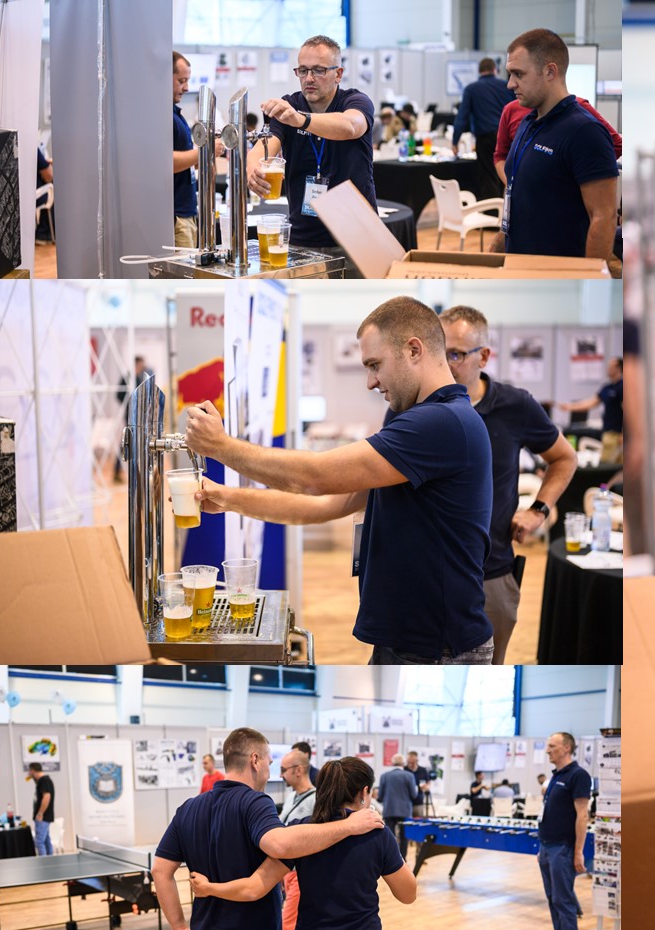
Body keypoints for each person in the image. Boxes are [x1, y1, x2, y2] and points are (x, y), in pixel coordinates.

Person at [185, 296, 494, 665]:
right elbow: (327, 503)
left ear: (414, 350)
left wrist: (220, 446)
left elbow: (315, 477)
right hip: (405, 640)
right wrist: (228, 497)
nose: (371, 381)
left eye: (375, 365)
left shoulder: (443, 422)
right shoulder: (407, 416)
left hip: (438, 648)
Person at [151, 727, 384, 930]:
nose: (270, 772)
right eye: (269, 763)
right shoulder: (255, 802)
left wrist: (179, 926)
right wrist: (348, 826)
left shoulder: (188, 808)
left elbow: (160, 871)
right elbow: (279, 845)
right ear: (255, 760)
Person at [440, 305, 578, 664]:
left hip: (492, 577)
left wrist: (538, 510)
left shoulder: (515, 406)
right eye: (438, 352)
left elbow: (565, 458)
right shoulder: (414, 405)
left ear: (484, 356)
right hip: (426, 578)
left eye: (455, 354)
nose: (445, 364)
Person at [189, 757, 416, 930]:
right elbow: (408, 894)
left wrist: (209, 888)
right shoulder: (377, 834)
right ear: (364, 792)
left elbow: (254, 888)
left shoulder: (300, 833)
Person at [244, 35, 376, 278]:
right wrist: (253, 168)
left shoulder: (355, 101)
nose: (309, 78)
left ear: (338, 74)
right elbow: (264, 147)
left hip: (357, 237)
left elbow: (350, 126)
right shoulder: (289, 105)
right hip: (303, 237)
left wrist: (301, 120)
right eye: (303, 70)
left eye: (318, 70)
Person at [501, 29, 619, 261]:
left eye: (518, 74)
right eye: (510, 74)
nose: (510, 84)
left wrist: (590, 276)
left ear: (550, 71)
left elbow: (604, 216)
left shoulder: (585, 131)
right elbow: (518, 194)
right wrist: (500, 242)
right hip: (518, 266)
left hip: (560, 272)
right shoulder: (528, 122)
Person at [538, 732, 591, 930]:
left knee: (564, 900)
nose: (547, 750)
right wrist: (542, 849)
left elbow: (582, 815)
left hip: (563, 848)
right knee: (553, 899)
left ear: (567, 748)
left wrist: (578, 851)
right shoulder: (555, 776)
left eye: (552, 746)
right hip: (547, 847)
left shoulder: (578, 776)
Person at [494, 95, 621, 186]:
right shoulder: (512, 110)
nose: (511, 84)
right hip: (521, 202)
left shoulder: (577, 108)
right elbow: (500, 156)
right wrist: (515, 185)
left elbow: (616, 144)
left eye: (520, 74)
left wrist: (581, 177)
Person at [172, 51, 224, 250]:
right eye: (181, 81)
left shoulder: (176, 114)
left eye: (187, 81)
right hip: (177, 214)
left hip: (187, 211)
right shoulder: (163, 116)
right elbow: (166, 162)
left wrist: (200, 157)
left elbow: (185, 161)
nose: (186, 88)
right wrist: (206, 152)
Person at [452, 57, 515, 199]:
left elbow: (462, 118)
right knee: (506, 175)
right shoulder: (507, 86)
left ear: (479, 71)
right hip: (507, 137)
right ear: (495, 70)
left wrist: (455, 141)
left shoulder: (471, 89)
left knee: (488, 176)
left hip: (485, 138)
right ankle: (505, 208)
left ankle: (492, 210)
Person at [279, 750, 317, 930]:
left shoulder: (316, 800)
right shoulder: (291, 797)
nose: (281, 775)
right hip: (287, 872)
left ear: (299, 770)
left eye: (284, 770)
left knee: (288, 924)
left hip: (302, 874)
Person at [559, 357, 623, 464]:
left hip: (617, 434)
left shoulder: (622, 387)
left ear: (618, 368)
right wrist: (570, 407)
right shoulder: (607, 388)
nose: (608, 369)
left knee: (608, 465)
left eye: (611, 366)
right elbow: (591, 403)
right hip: (608, 433)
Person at [115, 356, 154, 482]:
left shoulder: (140, 378)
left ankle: (138, 471)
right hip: (130, 415)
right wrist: (129, 403)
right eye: (141, 364)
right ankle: (118, 470)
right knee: (126, 442)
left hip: (140, 415)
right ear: (137, 364)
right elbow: (119, 395)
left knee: (139, 442)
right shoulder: (127, 378)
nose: (143, 367)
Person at [375, 753, 417, 858]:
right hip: (405, 811)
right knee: (404, 837)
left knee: (390, 836)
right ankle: (403, 859)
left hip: (389, 810)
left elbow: (380, 796)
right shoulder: (409, 776)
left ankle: (392, 859)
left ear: (392, 763)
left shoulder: (384, 776)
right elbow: (414, 795)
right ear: (404, 763)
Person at [26, 762, 55, 856]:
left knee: (39, 842)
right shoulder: (42, 781)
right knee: (46, 841)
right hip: (43, 817)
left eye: (29, 771)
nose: (29, 773)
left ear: (33, 770)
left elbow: (47, 797)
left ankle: (44, 862)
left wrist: (40, 813)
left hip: (43, 817)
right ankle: (51, 861)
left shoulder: (44, 780)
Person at [405, 751, 430, 817]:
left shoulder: (423, 770)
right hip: (406, 803)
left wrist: (426, 787)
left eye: (412, 763)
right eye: (408, 762)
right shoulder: (404, 770)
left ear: (417, 760)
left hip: (419, 803)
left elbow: (428, 783)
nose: (410, 765)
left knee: (419, 821)